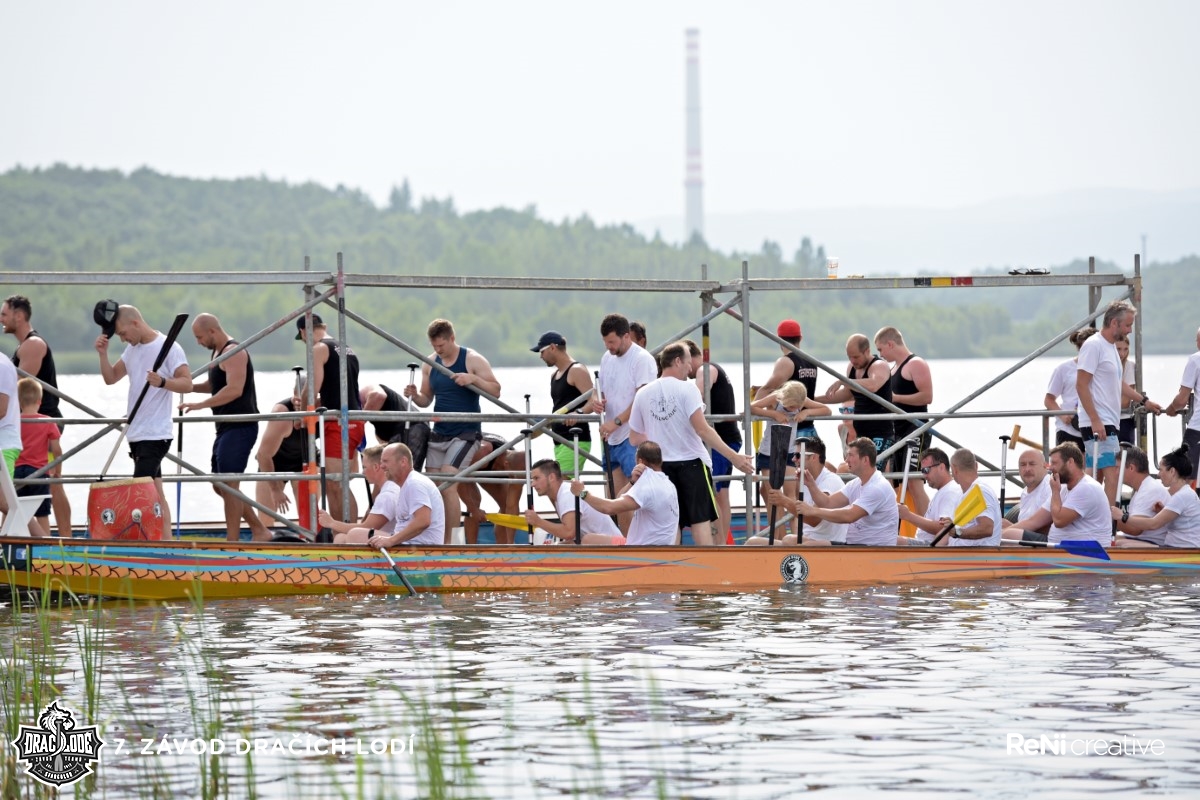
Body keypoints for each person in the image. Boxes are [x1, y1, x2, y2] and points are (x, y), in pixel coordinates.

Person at [628, 342, 754, 546]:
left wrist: (659, 435)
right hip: (692, 464)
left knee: (671, 525)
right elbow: (702, 429)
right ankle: (709, 565)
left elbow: (634, 438)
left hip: (661, 467)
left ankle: (672, 565)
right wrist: (734, 457)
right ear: (677, 361)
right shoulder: (688, 389)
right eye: (688, 363)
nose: (690, 369)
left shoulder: (643, 393)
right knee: (700, 523)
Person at [96, 305, 192, 536]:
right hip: (136, 433)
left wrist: (163, 382)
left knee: (139, 493)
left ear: (135, 323)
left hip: (156, 434)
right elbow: (111, 378)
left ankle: (142, 542)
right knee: (155, 494)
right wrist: (102, 354)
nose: (123, 339)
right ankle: (167, 542)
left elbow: (187, 383)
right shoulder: (132, 350)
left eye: (122, 333)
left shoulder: (169, 347)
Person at [405, 318, 501, 543]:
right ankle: (436, 538)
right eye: (434, 346)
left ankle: (450, 542)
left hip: (466, 432)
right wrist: (415, 396)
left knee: (449, 483)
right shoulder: (430, 363)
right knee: (434, 486)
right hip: (440, 431)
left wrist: (473, 379)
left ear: (452, 338)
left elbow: (496, 390)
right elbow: (426, 400)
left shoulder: (472, 359)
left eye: (442, 345)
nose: (438, 350)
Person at [179, 313, 269, 541]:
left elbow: (234, 389)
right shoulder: (217, 353)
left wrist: (201, 405)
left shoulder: (233, 351)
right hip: (225, 427)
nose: (198, 342)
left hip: (241, 424)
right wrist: (186, 386)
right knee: (219, 485)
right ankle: (259, 530)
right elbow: (214, 385)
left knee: (229, 484)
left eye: (199, 337)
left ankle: (232, 543)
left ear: (212, 331)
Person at [1075, 301, 1160, 506]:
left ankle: (1090, 516)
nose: (1130, 330)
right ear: (1114, 322)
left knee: (1096, 477)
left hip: (1107, 421)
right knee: (1113, 474)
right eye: (1128, 325)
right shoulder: (1094, 345)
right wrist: (1095, 420)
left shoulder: (1110, 347)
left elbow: (1118, 383)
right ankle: (1108, 520)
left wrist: (1144, 400)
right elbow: (1081, 385)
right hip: (1099, 423)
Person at [2, 295, 70, 534]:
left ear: (19, 316)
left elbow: (15, 388)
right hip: (30, 424)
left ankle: (65, 538)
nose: (1, 319)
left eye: (4, 314)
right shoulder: (24, 346)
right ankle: (19, 534)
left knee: (52, 481)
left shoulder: (33, 344)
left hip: (43, 422)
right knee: (20, 483)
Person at [295, 314, 365, 523]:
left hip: (340, 423)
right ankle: (344, 532)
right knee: (338, 483)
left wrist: (302, 416)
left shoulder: (319, 349)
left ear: (303, 332)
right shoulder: (345, 348)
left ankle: (346, 534)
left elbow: (312, 388)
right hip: (352, 419)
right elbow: (336, 390)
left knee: (336, 484)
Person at [766, 437, 899, 546]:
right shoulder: (856, 483)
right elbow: (828, 503)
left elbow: (849, 516)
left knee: (801, 545)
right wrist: (811, 485)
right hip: (856, 546)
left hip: (873, 550)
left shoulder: (877, 487)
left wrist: (813, 511)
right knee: (789, 542)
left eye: (851, 455)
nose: (846, 460)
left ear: (865, 460)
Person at [595, 313, 658, 528]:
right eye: (605, 342)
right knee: (615, 499)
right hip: (611, 437)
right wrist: (596, 401)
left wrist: (616, 422)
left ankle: (644, 541)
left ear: (626, 336)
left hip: (634, 438)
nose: (609, 347)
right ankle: (624, 541)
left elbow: (642, 399)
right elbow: (599, 390)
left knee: (638, 496)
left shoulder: (642, 359)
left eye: (612, 342)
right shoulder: (607, 358)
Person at [684, 339, 743, 544]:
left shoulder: (706, 369)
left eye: (685, 362)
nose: (686, 371)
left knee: (714, 493)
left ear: (690, 357)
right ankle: (723, 542)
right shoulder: (714, 369)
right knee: (722, 494)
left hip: (719, 442)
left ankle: (719, 543)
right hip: (729, 438)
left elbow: (697, 394)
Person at [570, 441, 680, 546]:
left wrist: (582, 493)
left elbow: (609, 508)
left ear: (639, 461)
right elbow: (619, 499)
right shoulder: (669, 485)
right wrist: (632, 482)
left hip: (644, 552)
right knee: (589, 539)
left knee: (588, 541)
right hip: (656, 547)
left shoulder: (647, 485)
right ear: (660, 461)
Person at [1002, 443, 1111, 547]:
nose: (1050, 468)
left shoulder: (1086, 488)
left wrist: (1055, 492)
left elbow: (1059, 521)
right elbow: (1033, 522)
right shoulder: (1062, 487)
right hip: (1057, 545)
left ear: (1070, 462)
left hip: (1083, 550)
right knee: (1007, 534)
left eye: (1054, 463)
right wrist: (999, 535)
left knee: (1009, 536)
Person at [746, 436, 848, 545]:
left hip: (830, 544)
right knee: (752, 543)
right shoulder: (805, 480)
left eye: (798, 455)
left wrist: (784, 501)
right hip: (808, 541)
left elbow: (814, 520)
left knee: (789, 539)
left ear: (814, 457)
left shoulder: (830, 481)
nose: (793, 459)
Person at [875, 326, 933, 514]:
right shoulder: (892, 369)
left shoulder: (916, 363)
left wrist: (896, 398)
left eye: (881, 349)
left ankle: (928, 524)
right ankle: (899, 524)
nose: (880, 355)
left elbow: (927, 396)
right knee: (893, 480)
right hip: (897, 431)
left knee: (914, 481)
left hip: (915, 429)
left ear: (890, 344)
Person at [816, 334, 894, 470]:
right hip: (861, 432)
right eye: (849, 357)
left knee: (873, 472)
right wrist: (813, 399)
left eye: (856, 357)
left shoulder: (879, 366)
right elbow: (846, 394)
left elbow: (874, 385)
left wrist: (844, 381)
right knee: (858, 472)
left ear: (867, 351)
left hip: (881, 433)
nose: (853, 361)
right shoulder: (851, 368)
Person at [531, 330, 593, 477]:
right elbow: (559, 408)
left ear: (553, 347)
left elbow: (594, 399)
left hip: (576, 438)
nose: (540, 356)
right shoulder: (554, 375)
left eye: (542, 351)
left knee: (559, 485)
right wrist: (541, 426)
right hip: (559, 440)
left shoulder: (576, 370)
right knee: (563, 487)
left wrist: (579, 413)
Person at [255, 384, 316, 530]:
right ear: (294, 395)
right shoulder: (282, 414)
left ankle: (310, 537)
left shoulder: (321, 409)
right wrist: (275, 489)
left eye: (307, 399)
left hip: (305, 460)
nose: (301, 403)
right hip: (275, 462)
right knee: (266, 518)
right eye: (299, 399)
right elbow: (263, 455)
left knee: (309, 516)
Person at [1117, 445, 1200, 548]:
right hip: (1177, 547)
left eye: (1161, 470)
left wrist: (1122, 517)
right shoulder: (1183, 494)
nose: (1158, 475)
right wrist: (1162, 511)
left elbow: (1153, 524)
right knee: (1121, 543)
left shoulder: (1182, 496)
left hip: (1184, 550)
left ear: (1172, 471)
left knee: (1123, 545)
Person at [524, 458, 623, 544]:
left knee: (586, 540)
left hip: (618, 546)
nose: (532, 484)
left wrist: (538, 521)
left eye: (536, 478)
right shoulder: (561, 495)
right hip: (606, 543)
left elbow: (569, 533)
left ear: (551, 477)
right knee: (561, 546)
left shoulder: (567, 494)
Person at [366, 442, 447, 548]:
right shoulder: (409, 484)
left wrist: (391, 541)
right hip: (412, 547)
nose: (382, 466)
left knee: (354, 535)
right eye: (381, 462)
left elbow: (423, 521)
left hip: (420, 550)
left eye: (386, 461)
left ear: (403, 462)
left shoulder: (414, 483)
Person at [319, 445, 397, 544]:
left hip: (400, 542)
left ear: (376, 467)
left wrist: (331, 523)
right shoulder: (390, 489)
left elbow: (367, 527)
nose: (363, 472)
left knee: (355, 534)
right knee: (340, 538)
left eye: (364, 467)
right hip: (393, 538)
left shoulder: (388, 495)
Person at [460, 432, 525, 544]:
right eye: (511, 475)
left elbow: (512, 506)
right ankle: (471, 548)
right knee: (475, 502)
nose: (512, 478)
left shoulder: (519, 468)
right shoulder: (483, 451)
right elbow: (458, 477)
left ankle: (504, 546)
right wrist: (473, 508)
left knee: (505, 505)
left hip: (489, 467)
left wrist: (510, 543)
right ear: (506, 464)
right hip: (466, 466)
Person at [16, 378, 61, 535]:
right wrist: (57, 471)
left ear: (18, 402)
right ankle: (45, 544)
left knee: (14, 510)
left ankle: (9, 543)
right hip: (39, 472)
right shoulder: (47, 421)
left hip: (16, 472)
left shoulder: (14, 421)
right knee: (42, 513)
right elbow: (56, 450)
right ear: (39, 401)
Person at [895, 448, 961, 545]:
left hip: (931, 546)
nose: (924, 475)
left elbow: (944, 528)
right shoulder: (944, 491)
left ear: (941, 467)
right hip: (927, 544)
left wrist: (908, 515)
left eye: (926, 470)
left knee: (889, 540)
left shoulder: (950, 491)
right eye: (922, 471)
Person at [1044, 326, 1096, 450]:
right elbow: (1049, 400)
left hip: (1095, 427)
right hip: (1068, 429)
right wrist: (1062, 416)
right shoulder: (1063, 368)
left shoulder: (1103, 368)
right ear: (1080, 347)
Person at [1110, 446, 1170, 547]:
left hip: (1154, 543)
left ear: (1131, 468)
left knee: (1117, 543)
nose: (1116, 473)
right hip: (1142, 540)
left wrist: (1109, 517)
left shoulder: (1149, 489)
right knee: (1103, 538)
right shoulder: (1142, 489)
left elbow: (1134, 529)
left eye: (1118, 468)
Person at [360, 383, 429, 470]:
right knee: (391, 470)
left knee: (409, 471)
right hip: (398, 431)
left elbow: (379, 395)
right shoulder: (379, 427)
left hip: (413, 425)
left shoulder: (365, 392)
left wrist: (359, 421)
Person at [942, 448, 1002, 546]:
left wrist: (957, 532)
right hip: (961, 553)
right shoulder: (964, 494)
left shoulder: (981, 491)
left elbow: (986, 528)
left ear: (954, 470)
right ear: (976, 465)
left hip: (978, 554)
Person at [1163, 326, 1200, 482]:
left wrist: (1171, 409)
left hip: (1197, 428)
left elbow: (1181, 400)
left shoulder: (1195, 360)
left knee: (1186, 478)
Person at [1013, 449, 1052, 533]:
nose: (1027, 469)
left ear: (1045, 466)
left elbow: (1043, 525)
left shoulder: (1051, 486)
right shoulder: (1024, 492)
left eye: (1032, 464)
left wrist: (1008, 530)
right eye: (1023, 465)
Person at [1114, 336, 1137, 444]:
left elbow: (1126, 400)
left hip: (1123, 420)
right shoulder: (1104, 366)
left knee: (1125, 452)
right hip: (1107, 420)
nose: (1122, 353)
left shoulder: (1129, 366)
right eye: (1118, 349)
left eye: (1125, 349)